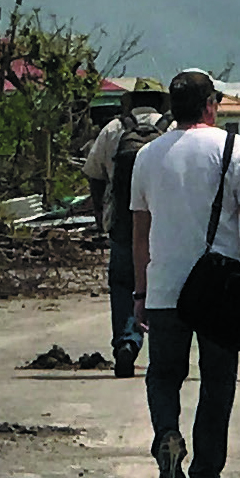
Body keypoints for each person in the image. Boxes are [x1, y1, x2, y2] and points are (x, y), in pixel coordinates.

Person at [130, 70, 240, 478]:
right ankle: (207, 477)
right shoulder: (233, 148)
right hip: (220, 290)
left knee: (163, 376)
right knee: (217, 382)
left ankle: (167, 437)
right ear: (210, 104)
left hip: (164, 289)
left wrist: (139, 292)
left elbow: (140, 232)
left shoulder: (148, 156)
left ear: (172, 109)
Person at [82, 89, 167, 376]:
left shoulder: (114, 129)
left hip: (122, 225)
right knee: (160, 288)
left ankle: (126, 342)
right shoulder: (171, 129)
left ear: (131, 101)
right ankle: (161, 351)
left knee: (122, 286)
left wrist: (99, 216)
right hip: (161, 227)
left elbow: (94, 174)